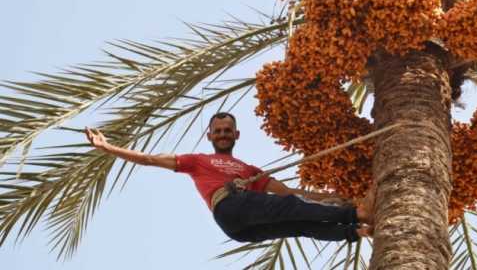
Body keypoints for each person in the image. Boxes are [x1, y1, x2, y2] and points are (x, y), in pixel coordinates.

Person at [85, 112, 374, 243]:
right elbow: (149, 159)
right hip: (229, 208)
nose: (222, 134)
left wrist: (331, 197)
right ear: (209, 135)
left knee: (296, 223)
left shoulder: (248, 170)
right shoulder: (197, 161)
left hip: (241, 231)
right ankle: (354, 215)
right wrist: (107, 147)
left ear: (236, 135)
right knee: (288, 212)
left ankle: (354, 231)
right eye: (218, 130)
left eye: (227, 130)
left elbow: (288, 193)